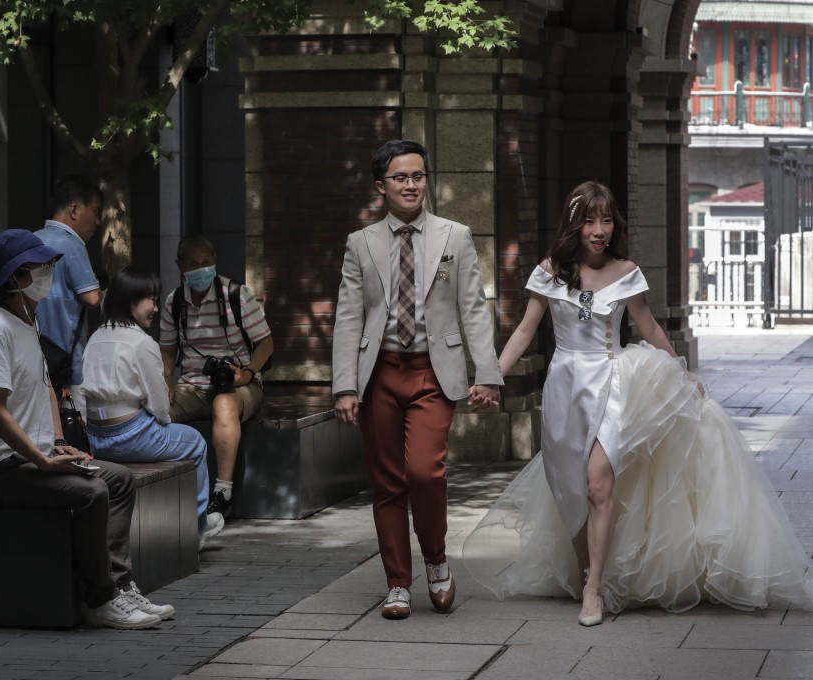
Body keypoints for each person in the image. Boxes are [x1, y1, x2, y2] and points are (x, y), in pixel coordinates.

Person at [462, 181, 813, 625]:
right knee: (568, 487)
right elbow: (525, 331)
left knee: (596, 484)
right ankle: (588, 570)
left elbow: (646, 326)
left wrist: (680, 371)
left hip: (610, 382)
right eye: (589, 220)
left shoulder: (626, 271)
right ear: (574, 224)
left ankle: (595, 590)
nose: (599, 230)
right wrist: (490, 378)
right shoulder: (550, 271)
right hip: (564, 385)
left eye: (606, 220)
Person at [0, 229, 173, 630]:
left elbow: (44, 393)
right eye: (39, 268)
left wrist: (57, 445)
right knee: (91, 492)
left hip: (30, 457)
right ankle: (100, 598)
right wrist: (40, 458)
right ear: (15, 276)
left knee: (120, 479)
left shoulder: (26, 322)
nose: (47, 274)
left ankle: (119, 585)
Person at [332, 139, 504, 620]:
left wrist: (487, 374)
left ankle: (436, 559)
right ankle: (397, 584)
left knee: (425, 473)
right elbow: (348, 319)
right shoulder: (360, 243)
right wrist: (345, 386)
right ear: (380, 187)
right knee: (387, 483)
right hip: (379, 375)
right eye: (400, 178)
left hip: (434, 373)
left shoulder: (455, 236)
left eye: (418, 176)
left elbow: (473, 308)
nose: (411, 185)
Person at [81, 266, 225, 551]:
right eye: (151, 300)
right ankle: (196, 526)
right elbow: (159, 405)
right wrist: (163, 419)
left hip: (96, 438)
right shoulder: (142, 343)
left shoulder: (96, 337)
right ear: (131, 299)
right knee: (195, 442)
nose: (156, 309)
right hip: (133, 436)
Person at [159, 235, 274, 518]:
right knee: (158, 409)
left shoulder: (236, 295)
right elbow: (167, 351)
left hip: (239, 385)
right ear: (179, 266)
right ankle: (166, 490)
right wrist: (165, 382)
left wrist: (247, 374)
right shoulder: (174, 303)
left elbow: (266, 343)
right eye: (192, 264)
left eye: (205, 262)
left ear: (214, 260)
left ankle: (223, 493)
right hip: (192, 387)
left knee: (223, 404)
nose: (200, 269)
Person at [33, 175, 103, 412]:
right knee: (70, 435)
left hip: (32, 360)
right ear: (74, 210)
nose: (98, 221)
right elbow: (92, 298)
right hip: (64, 364)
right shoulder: (72, 245)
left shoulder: (32, 240)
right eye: (95, 211)